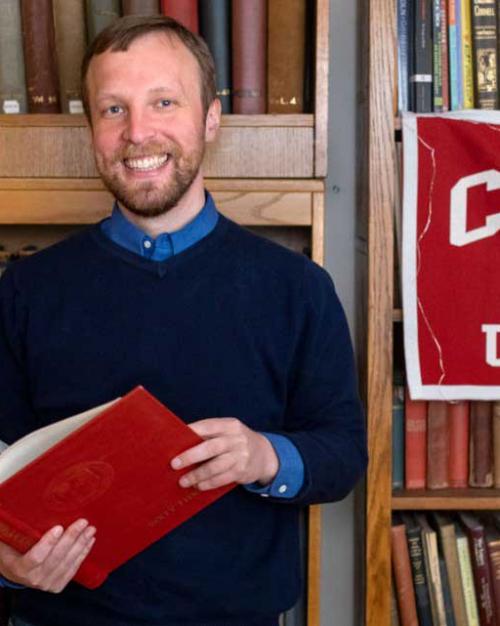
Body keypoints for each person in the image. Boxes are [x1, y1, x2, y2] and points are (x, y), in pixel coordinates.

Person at [0, 15, 367, 626]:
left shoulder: (296, 287)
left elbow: (344, 455)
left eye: (163, 102)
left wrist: (263, 457)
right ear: (92, 129)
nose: (137, 133)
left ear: (211, 118)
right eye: (113, 109)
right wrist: (5, 560)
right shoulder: (27, 290)